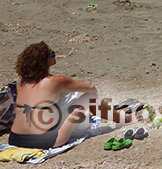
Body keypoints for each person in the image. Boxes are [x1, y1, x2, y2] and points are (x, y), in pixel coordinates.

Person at [9, 42, 140, 149]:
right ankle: (126, 119)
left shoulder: (23, 82)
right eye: (53, 54)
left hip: (15, 139)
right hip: (45, 142)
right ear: (45, 61)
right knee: (89, 99)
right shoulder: (56, 81)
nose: (55, 56)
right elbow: (91, 89)